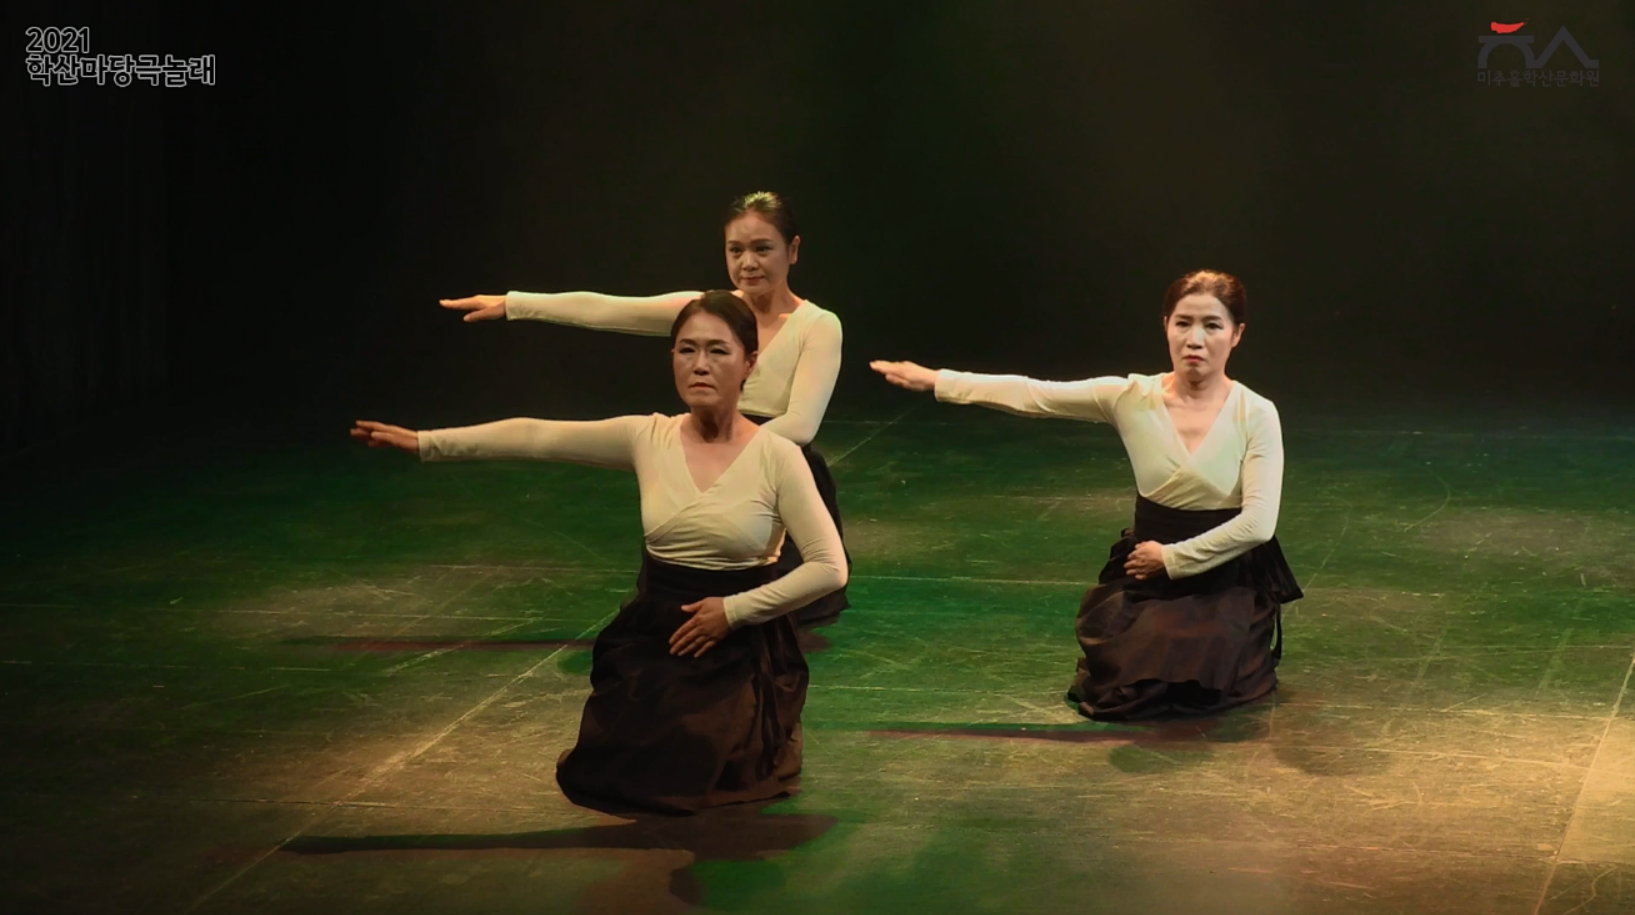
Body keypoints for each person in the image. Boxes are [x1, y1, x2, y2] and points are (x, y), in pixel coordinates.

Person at [354, 290, 846, 813]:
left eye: (717, 351)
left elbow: (829, 568)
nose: (700, 365)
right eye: (686, 350)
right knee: (625, 773)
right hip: (660, 634)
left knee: (704, 765)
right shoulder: (647, 437)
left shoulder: (777, 456)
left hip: (740, 642)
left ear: (749, 362)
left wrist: (733, 612)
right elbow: (537, 436)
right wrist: (428, 443)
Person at [871, 270, 1301, 721]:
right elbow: (1034, 395)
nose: (1195, 339)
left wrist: (1171, 558)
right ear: (1166, 326)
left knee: (1191, 678)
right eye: (1183, 323)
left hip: (1221, 575)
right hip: (1149, 573)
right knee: (1136, 682)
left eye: (1212, 325)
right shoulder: (1130, 397)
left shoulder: (1256, 413)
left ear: (1237, 334)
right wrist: (938, 380)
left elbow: (1258, 524)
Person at [439, 191, 851, 628]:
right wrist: (515, 304)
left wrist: (733, 456)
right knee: (680, 611)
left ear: (793, 250)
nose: (748, 262)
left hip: (771, 466)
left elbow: (801, 425)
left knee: (767, 619)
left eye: (762, 249)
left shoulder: (818, 325)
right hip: (709, 451)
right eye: (736, 250)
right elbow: (607, 308)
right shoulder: (709, 311)